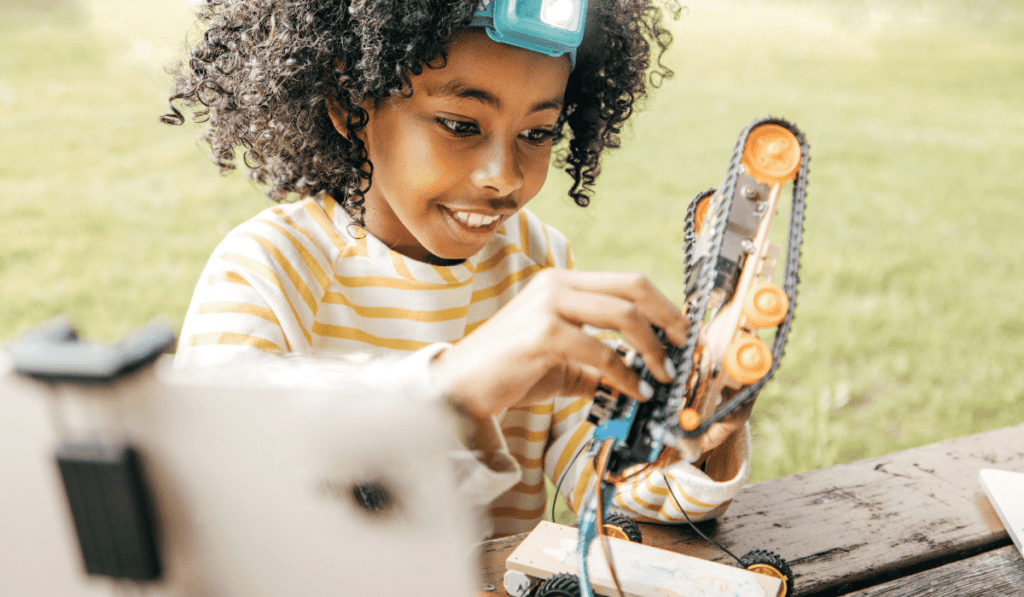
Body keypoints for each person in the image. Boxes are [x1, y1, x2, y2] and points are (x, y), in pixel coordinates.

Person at [165, 0, 751, 539]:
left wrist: (694, 429)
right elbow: (220, 508)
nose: (505, 175)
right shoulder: (264, 273)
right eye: (461, 124)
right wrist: (446, 391)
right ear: (350, 105)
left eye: (537, 133)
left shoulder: (537, 263)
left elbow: (609, 488)